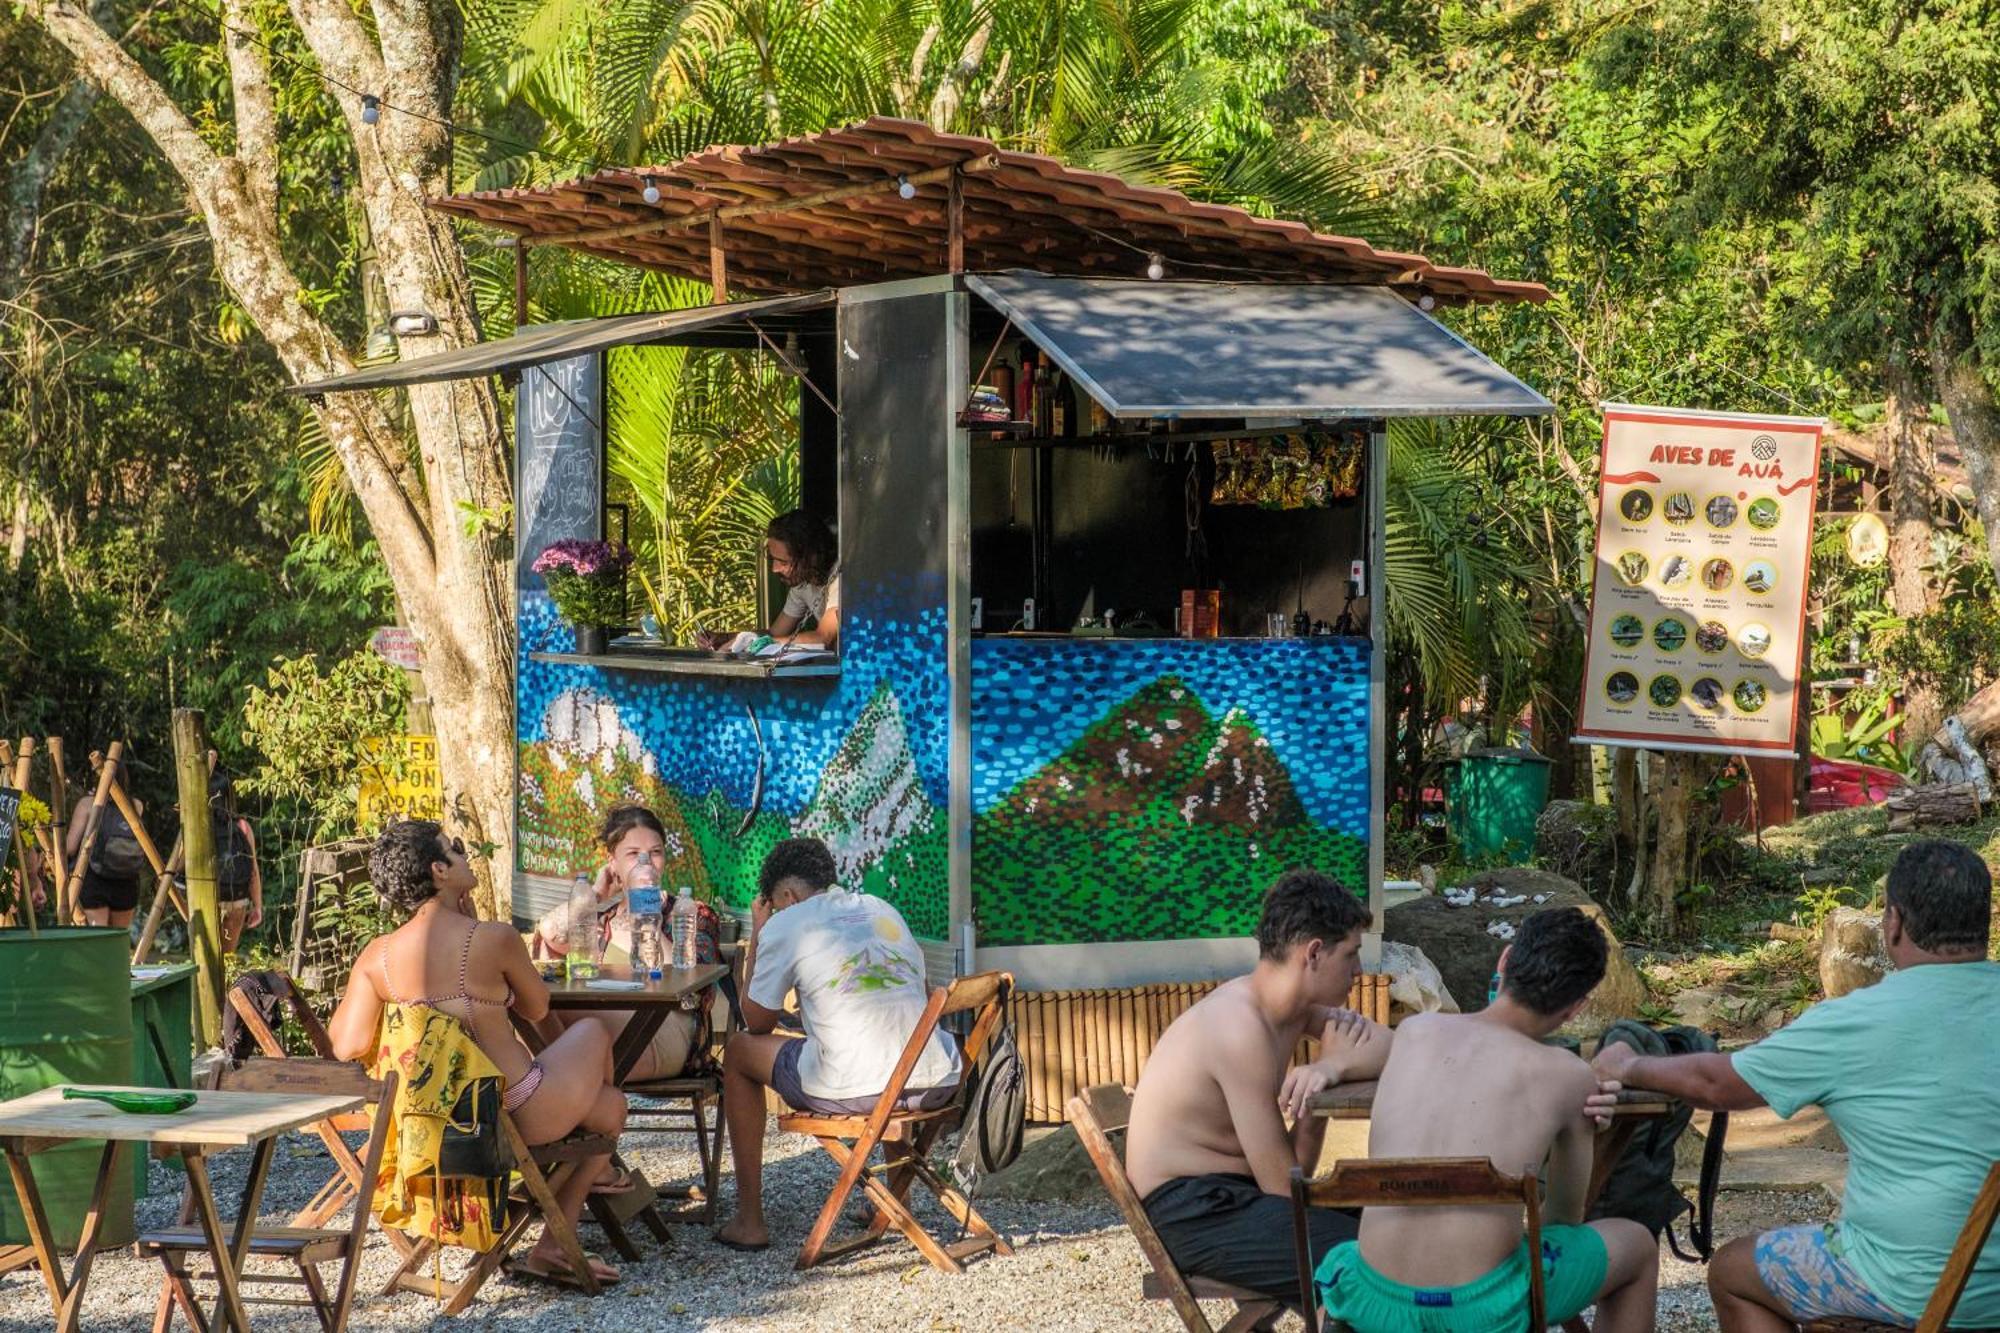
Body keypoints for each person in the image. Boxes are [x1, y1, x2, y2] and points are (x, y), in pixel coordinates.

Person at [1594, 840, 2000, 1332]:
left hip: (1911, 1285)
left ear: (1893, 922)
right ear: (1982, 920)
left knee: (1731, 1271)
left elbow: (1717, 1083)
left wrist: (1630, 1065)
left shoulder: (1858, 1020)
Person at [1318, 907, 1657, 1333]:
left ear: (1505, 961)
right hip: (1483, 1312)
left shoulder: (1415, 1033)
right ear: (1576, 1008)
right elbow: (1561, 1224)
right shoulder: (1570, 1076)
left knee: (1348, 1255)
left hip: (1374, 1301)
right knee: (1638, 1245)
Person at [328, 820, 630, 1286]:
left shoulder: (377, 956)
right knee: (592, 1032)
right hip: (512, 1114)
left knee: (612, 1109)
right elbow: (537, 1007)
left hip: (432, 1127)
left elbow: (346, 1045)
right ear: (439, 871)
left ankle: (554, 1243)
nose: (466, 855)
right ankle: (571, 1216)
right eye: (457, 849)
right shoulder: (491, 939)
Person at [1124, 868, 1392, 1298]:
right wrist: (1318, 1095)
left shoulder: (1292, 1008)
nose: (1359, 970)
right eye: (1352, 954)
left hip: (1242, 1196)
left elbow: (1390, 1046)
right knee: (1373, 1259)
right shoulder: (1239, 1027)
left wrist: (1329, 1070)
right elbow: (1286, 1187)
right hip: (1196, 1212)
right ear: (1315, 953)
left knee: (1401, 1227)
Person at [712, 836, 958, 1251]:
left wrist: (759, 934)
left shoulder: (786, 923)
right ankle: (896, 1199)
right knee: (887, 1044)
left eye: (775, 903)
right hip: (937, 1076)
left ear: (786, 896)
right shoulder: (881, 908)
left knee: (737, 1051)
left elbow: (755, 1021)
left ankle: (749, 1220)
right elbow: (923, 988)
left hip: (863, 1089)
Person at [529, 804, 702, 1084]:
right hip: (605, 1035)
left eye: (655, 853)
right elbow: (549, 931)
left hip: (664, 1033)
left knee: (544, 1011)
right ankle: (564, 1096)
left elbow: (691, 984)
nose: (645, 863)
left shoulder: (687, 911)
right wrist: (594, 894)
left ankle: (552, 1091)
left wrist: (646, 918)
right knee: (533, 999)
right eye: (633, 854)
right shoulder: (601, 922)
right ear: (613, 863)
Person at [697, 509, 840, 653]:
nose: (775, 569)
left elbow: (823, 638)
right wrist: (727, 638)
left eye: (783, 562)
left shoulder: (842, 578)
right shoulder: (802, 582)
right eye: (773, 560)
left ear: (811, 557)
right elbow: (775, 634)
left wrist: (756, 643)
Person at [64, 758, 149, 929]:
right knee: (118, 939)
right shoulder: (136, 805)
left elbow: (70, 847)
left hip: (94, 879)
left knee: (97, 939)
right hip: (126, 881)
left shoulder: (88, 804)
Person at [209, 773, 264, 954]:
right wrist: (257, 906)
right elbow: (253, 871)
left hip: (208, 897)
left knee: (207, 956)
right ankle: (226, 982)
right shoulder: (242, 826)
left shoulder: (201, 827)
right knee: (228, 956)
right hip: (237, 898)